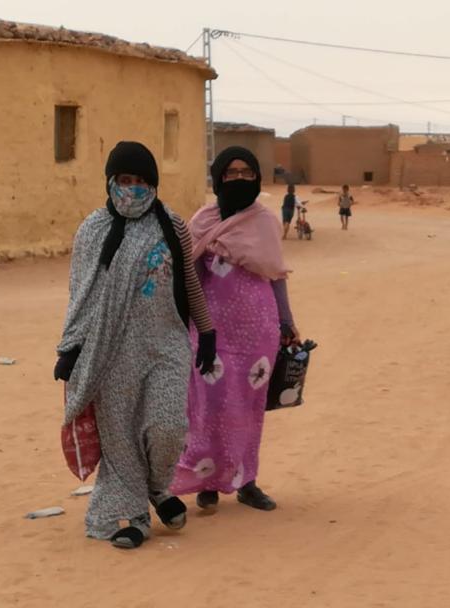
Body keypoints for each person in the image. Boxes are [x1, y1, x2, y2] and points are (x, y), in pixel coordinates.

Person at [55, 141, 217, 549]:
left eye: (142, 181)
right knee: (121, 437)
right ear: (110, 182)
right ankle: (137, 516)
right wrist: (70, 349)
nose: (133, 189)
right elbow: (82, 293)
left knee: (167, 428)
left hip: (166, 345)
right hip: (111, 353)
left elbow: (190, 282)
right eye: (125, 180)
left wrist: (208, 331)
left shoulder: (172, 225)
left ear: (154, 184)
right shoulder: (92, 230)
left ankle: (158, 486)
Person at [170, 146, 298, 512]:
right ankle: (208, 480)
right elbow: (189, 277)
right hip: (211, 333)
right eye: (232, 173)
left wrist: (287, 321)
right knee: (206, 408)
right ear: (219, 177)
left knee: (248, 410)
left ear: (257, 178)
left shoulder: (265, 222)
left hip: (258, 331)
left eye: (247, 173)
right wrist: (186, 322)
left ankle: (247, 482)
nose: (240, 179)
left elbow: (276, 275)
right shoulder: (202, 222)